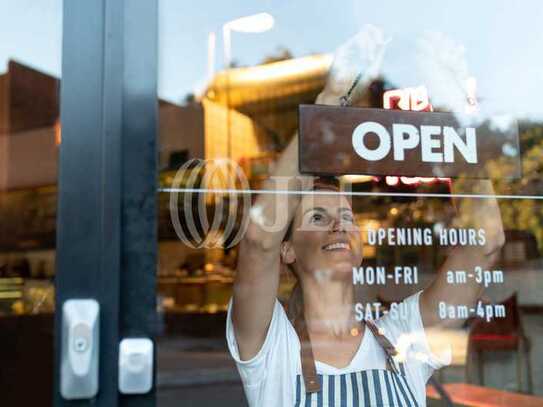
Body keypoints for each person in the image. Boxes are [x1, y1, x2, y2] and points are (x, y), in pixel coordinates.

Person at [226, 44, 505, 407]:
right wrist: (327, 103)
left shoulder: (401, 336)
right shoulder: (270, 345)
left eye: (346, 217)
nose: (338, 227)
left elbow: (486, 242)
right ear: (287, 248)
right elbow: (259, 241)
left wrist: (450, 113)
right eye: (317, 218)